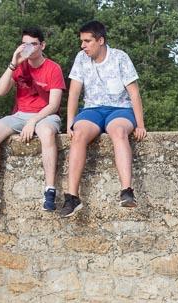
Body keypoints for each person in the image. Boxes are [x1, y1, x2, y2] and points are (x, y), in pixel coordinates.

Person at [0, 27, 66, 212]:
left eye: (33, 44)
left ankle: (50, 190)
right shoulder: (20, 66)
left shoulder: (53, 68)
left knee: (47, 133)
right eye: (25, 44)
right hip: (20, 114)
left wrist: (33, 121)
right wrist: (13, 63)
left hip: (46, 114)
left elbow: (54, 105)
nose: (28, 48)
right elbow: (0, 91)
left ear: (42, 45)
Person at [59, 20, 147, 218]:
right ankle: (72, 197)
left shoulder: (120, 57)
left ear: (100, 40)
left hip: (120, 109)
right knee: (79, 134)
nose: (83, 45)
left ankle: (127, 191)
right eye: (82, 41)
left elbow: (134, 93)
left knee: (118, 131)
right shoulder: (81, 58)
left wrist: (140, 124)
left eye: (87, 41)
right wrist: (70, 122)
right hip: (92, 109)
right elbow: (74, 92)